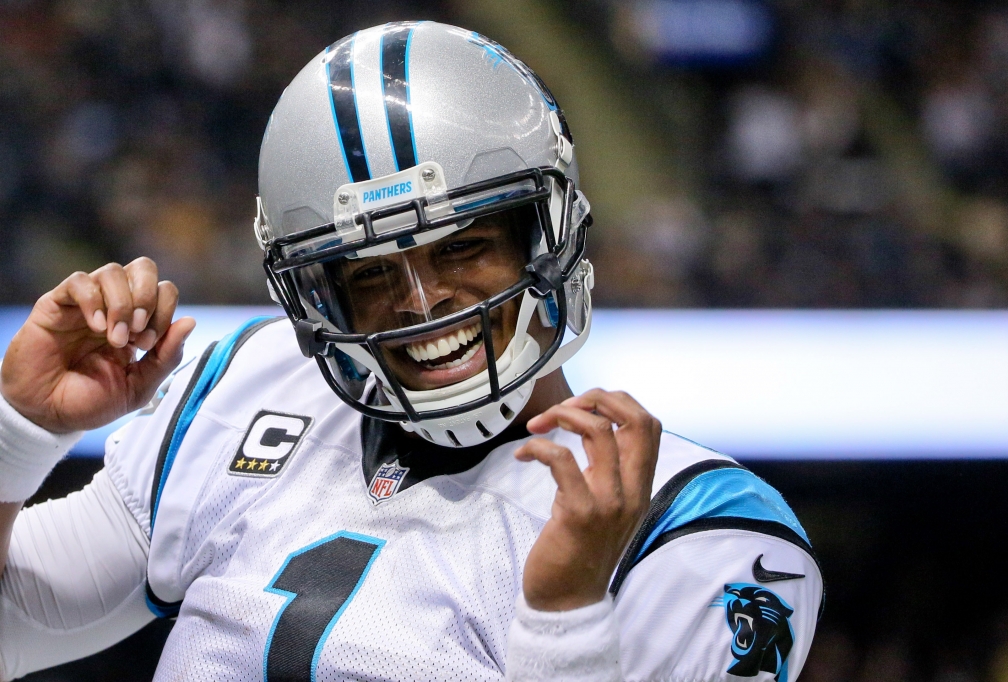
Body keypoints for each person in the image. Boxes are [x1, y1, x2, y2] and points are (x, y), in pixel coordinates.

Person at [0, 22, 822, 682]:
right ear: (317, 293)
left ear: (545, 237)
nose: (424, 303)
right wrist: (19, 432)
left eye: (462, 247)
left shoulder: (699, 529)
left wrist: (565, 617)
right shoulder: (250, 382)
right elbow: (13, 632)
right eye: (370, 273)